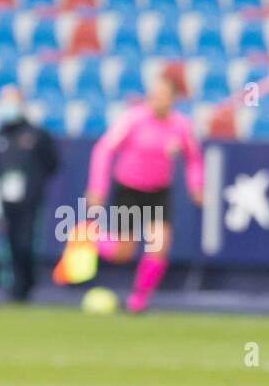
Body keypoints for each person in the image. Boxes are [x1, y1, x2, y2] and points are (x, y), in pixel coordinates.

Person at [85, 69, 203, 313]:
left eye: (163, 95)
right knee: (123, 252)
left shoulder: (181, 126)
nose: (158, 100)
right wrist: (98, 186)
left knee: (158, 245)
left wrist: (197, 186)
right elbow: (104, 150)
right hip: (129, 189)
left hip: (158, 192)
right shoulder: (133, 120)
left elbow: (194, 159)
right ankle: (88, 237)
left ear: (173, 98)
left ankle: (139, 299)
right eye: (154, 95)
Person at [0, 86, 58, 302]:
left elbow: (51, 164)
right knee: (9, 243)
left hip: (31, 200)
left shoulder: (37, 135)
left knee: (27, 242)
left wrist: (34, 183)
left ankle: (27, 284)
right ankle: (13, 287)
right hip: (6, 200)